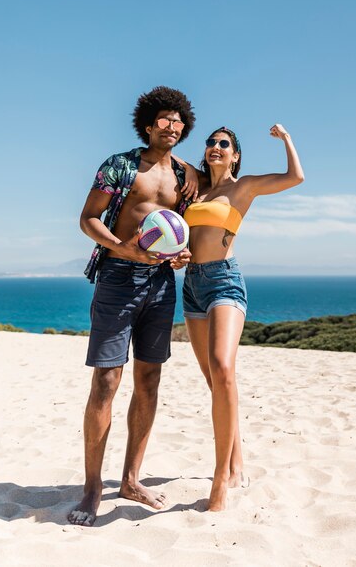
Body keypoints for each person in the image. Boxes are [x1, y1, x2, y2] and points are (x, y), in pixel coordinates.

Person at [68, 86, 197, 526]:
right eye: (164, 118)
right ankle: (90, 489)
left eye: (178, 120)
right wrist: (124, 250)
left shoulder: (187, 175)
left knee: (149, 380)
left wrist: (183, 256)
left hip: (161, 283)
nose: (172, 125)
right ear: (147, 123)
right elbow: (88, 218)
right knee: (106, 381)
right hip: (118, 279)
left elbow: (184, 233)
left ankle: (129, 479)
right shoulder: (120, 165)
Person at [182, 123, 304, 511]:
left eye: (224, 144)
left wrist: (286, 139)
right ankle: (236, 463)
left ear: (235, 155)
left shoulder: (243, 186)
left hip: (224, 282)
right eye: (211, 142)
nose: (215, 147)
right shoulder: (195, 188)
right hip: (191, 285)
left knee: (223, 368)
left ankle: (221, 478)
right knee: (213, 381)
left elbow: (294, 177)